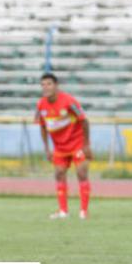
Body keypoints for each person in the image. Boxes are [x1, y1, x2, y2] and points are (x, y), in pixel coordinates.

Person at [36, 73, 91, 220]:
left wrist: (86, 145)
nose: (45, 87)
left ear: (56, 85)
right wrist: (47, 149)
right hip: (60, 147)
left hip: (77, 143)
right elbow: (42, 126)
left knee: (81, 173)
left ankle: (84, 212)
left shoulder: (69, 101)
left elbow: (84, 121)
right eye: (43, 85)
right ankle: (63, 211)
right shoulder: (41, 105)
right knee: (59, 174)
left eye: (49, 84)